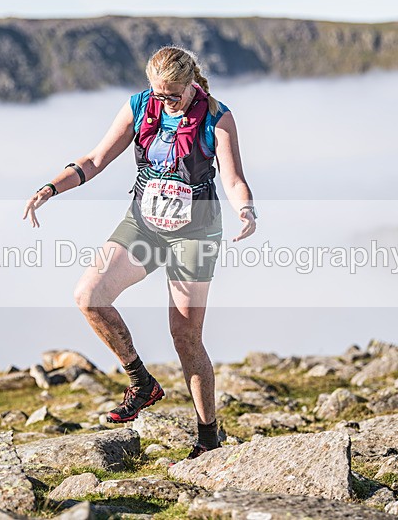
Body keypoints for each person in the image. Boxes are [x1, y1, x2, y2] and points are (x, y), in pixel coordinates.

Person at [22, 46, 257, 460]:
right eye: (159, 94)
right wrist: (50, 188)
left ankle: (207, 437)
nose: (165, 102)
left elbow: (234, 178)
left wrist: (246, 210)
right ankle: (141, 383)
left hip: (195, 232)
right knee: (89, 296)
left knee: (185, 336)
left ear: (191, 84)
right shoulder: (139, 107)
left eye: (173, 95)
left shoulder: (217, 117)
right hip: (144, 224)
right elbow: (95, 160)